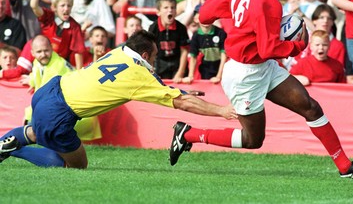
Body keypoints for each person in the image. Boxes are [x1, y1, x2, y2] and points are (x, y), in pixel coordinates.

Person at [169, 0, 353, 179]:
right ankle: (189, 134)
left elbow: (205, 14)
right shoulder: (267, 2)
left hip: (262, 66)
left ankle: (346, 168)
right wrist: (298, 47)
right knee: (253, 140)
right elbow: (268, 49)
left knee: (311, 107)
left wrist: (243, 25)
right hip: (245, 74)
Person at [0, 30, 237, 168]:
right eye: (153, 57)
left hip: (50, 90)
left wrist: (179, 90)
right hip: (60, 112)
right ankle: (12, 150)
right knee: (75, 165)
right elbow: (178, 101)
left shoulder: (119, 51)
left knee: (35, 131)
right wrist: (221, 111)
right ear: (145, 55)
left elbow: (148, 80)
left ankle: (7, 141)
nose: (153, 62)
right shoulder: (139, 75)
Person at [20, 35, 102, 141]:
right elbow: (38, 73)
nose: (43, 54)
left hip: (81, 116)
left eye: (46, 51)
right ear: (32, 53)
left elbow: (43, 100)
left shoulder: (56, 68)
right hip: (69, 112)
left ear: (52, 48)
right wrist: (31, 79)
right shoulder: (40, 62)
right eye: (39, 52)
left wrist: (27, 116)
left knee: (32, 127)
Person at [31, 0, 86, 70]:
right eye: (63, 5)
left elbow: (78, 52)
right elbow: (34, 5)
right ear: (54, 8)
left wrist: (79, 74)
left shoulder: (74, 27)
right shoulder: (48, 17)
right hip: (41, 60)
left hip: (60, 65)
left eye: (69, 6)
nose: (66, 9)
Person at [148, 0, 190, 83]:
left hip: (177, 62)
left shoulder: (181, 28)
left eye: (173, 7)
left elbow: (184, 51)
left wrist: (180, 72)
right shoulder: (153, 28)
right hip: (160, 63)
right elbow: (150, 51)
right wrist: (152, 71)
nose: (170, 10)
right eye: (166, 8)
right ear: (158, 12)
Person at [182, 5, 227, 84]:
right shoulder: (196, 36)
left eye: (207, 16)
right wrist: (190, 76)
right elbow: (193, 57)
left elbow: (224, 56)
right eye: (201, 16)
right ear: (195, 19)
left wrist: (219, 76)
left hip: (221, 68)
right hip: (206, 68)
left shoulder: (221, 33)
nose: (205, 19)